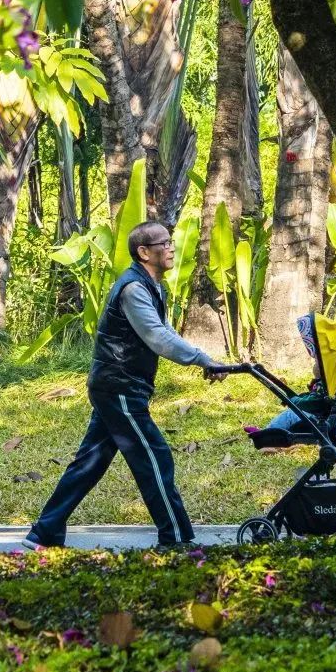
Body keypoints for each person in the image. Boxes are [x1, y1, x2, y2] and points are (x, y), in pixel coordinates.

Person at [26, 220, 226, 551]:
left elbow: (165, 332)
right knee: (155, 455)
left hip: (118, 385)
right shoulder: (134, 289)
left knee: (90, 462)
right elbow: (157, 338)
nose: (171, 247)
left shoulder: (152, 287)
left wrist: (205, 359)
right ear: (144, 252)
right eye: (164, 243)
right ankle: (175, 538)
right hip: (119, 386)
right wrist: (204, 359)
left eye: (171, 241)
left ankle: (44, 532)